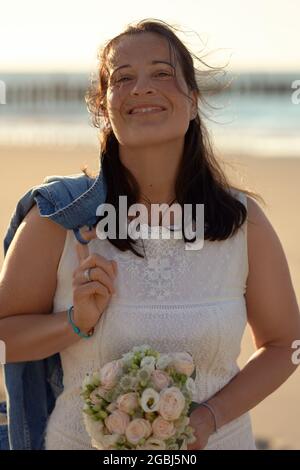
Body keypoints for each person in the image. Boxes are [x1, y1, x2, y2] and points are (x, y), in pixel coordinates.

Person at [1, 19, 300, 450]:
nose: (141, 88)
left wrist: (208, 418)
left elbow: (284, 345)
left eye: (161, 73)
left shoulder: (242, 221)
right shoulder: (59, 221)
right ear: (103, 108)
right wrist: (75, 323)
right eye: (123, 79)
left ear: (193, 102)